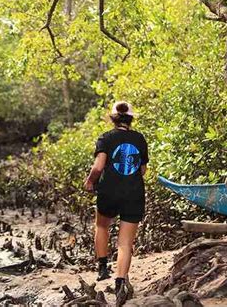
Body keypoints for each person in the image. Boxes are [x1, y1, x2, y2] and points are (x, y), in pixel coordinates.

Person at [84, 101, 148, 304]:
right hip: (133, 193)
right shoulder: (139, 139)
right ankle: (120, 282)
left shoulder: (106, 138)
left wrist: (90, 181)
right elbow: (142, 170)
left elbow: (98, 166)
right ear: (131, 119)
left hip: (109, 192)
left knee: (101, 225)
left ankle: (102, 267)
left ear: (112, 118)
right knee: (125, 242)